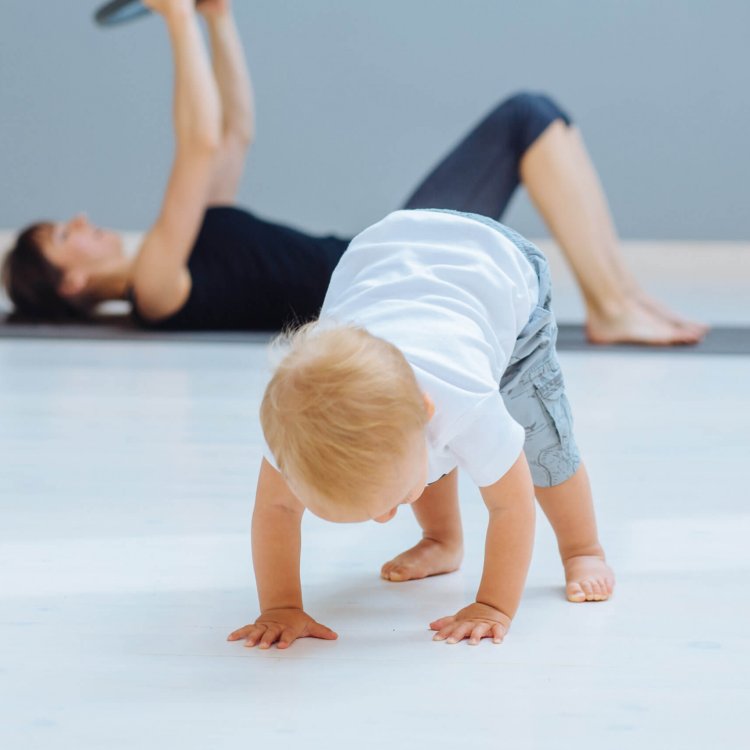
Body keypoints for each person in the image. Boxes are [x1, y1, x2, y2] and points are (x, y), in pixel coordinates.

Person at [1, 0, 706, 345]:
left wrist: (216, 20)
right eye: (67, 234)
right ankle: (611, 308)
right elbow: (197, 144)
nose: (85, 223)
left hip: (382, 258)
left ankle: (622, 296)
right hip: (389, 273)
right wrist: (176, 23)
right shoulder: (158, 286)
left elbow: (232, 134)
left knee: (533, 115)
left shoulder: (179, 254)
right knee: (527, 115)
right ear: (68, 281)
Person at [227, 208, 615, 650]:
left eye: (387, 502)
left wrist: (492, 605)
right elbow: (275, 511)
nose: (385, 517)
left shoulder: (466, 404)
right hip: (387, 253)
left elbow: (512, 507)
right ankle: (442, 541)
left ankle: (584, 550)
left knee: (543, 441)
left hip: (500, 267)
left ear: (429, 410)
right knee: (410, 458)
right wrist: (280, 606)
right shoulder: (292, 424)